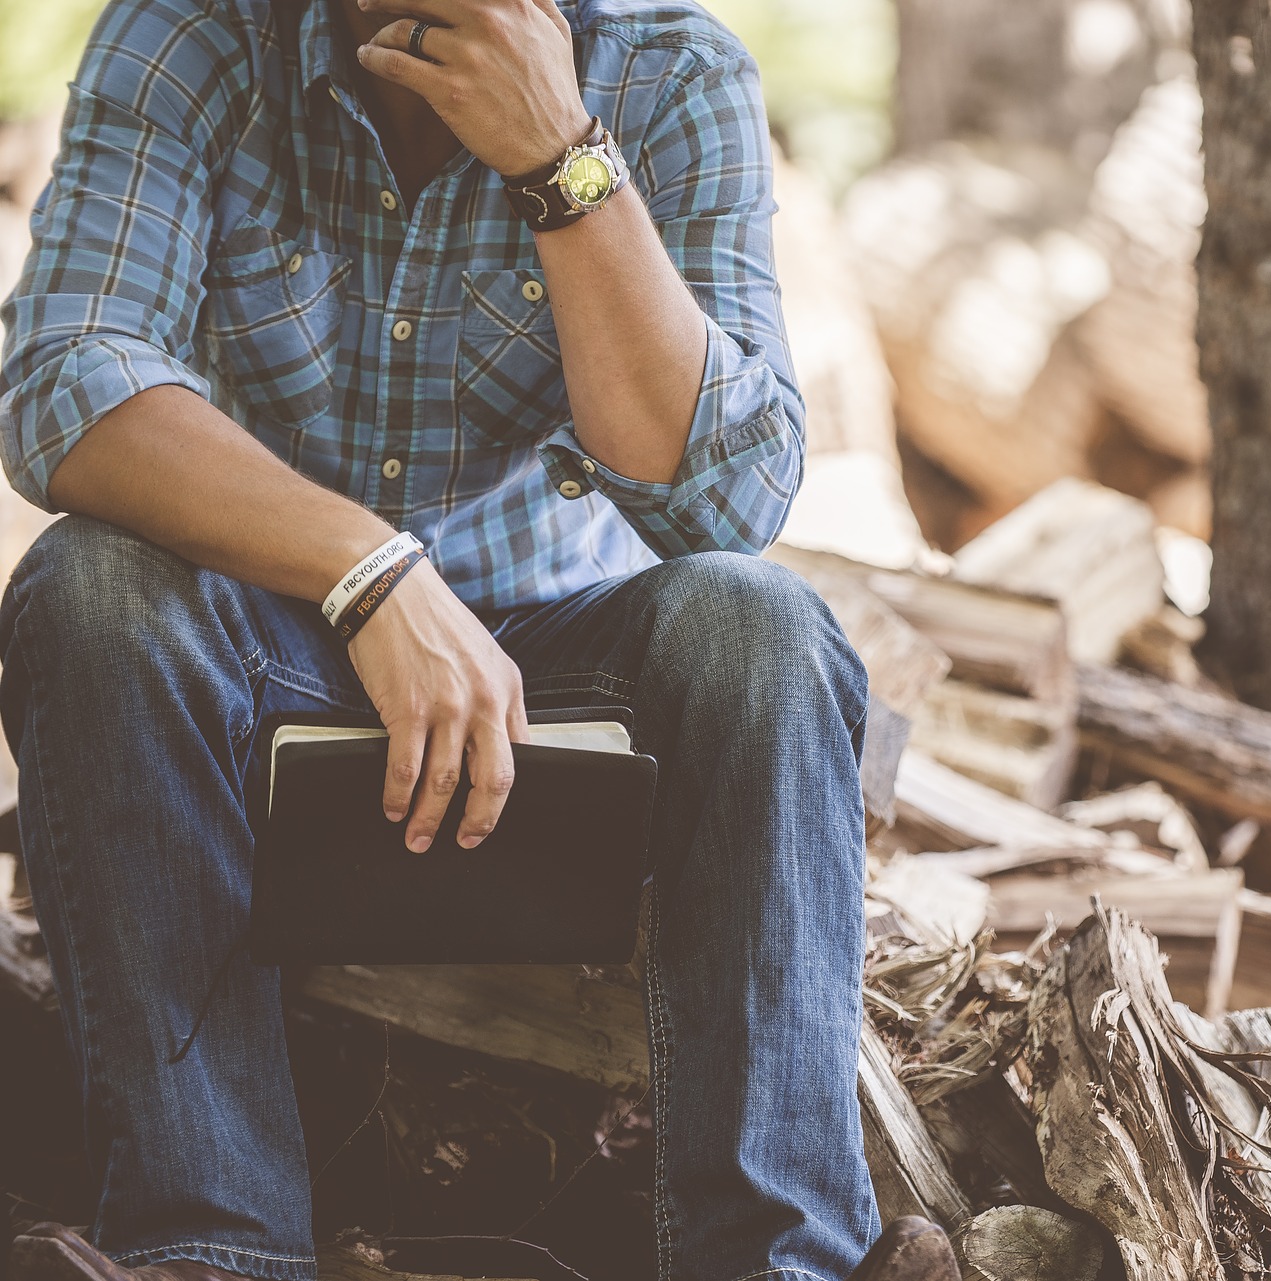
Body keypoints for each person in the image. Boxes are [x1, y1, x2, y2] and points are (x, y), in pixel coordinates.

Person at [0, 0, 958, 1278]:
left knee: (761, 628)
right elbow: (66, 380)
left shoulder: (674, 69)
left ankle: (778, 1261)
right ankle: (211, 1248)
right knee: (89, 587)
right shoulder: (190, 36)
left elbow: (728, 501)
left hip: (559, 692)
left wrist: (563, 161)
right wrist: (369, 571)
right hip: (258, 667)